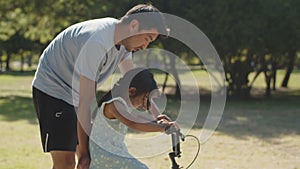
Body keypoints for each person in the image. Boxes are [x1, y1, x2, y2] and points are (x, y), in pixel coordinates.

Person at [32, 3, 169, 169]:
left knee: (91, 158)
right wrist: (83, 153)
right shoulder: (97, 41)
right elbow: (86, 101)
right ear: (134, 25)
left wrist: (157, 116)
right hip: (54, 89)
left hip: (76, 94)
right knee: (67, 162)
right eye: (147, 38)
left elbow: (134, 82)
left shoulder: (124, 43)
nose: (145, 46)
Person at [89, 68, 176, 169]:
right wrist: (163, 128)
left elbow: (139, 119)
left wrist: (157, 122)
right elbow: (133, 123)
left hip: (113, 152)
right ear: (132, 91)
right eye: (145, 98)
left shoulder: (124, 105)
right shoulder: (115, 104)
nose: (143, 104)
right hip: (105, 155)